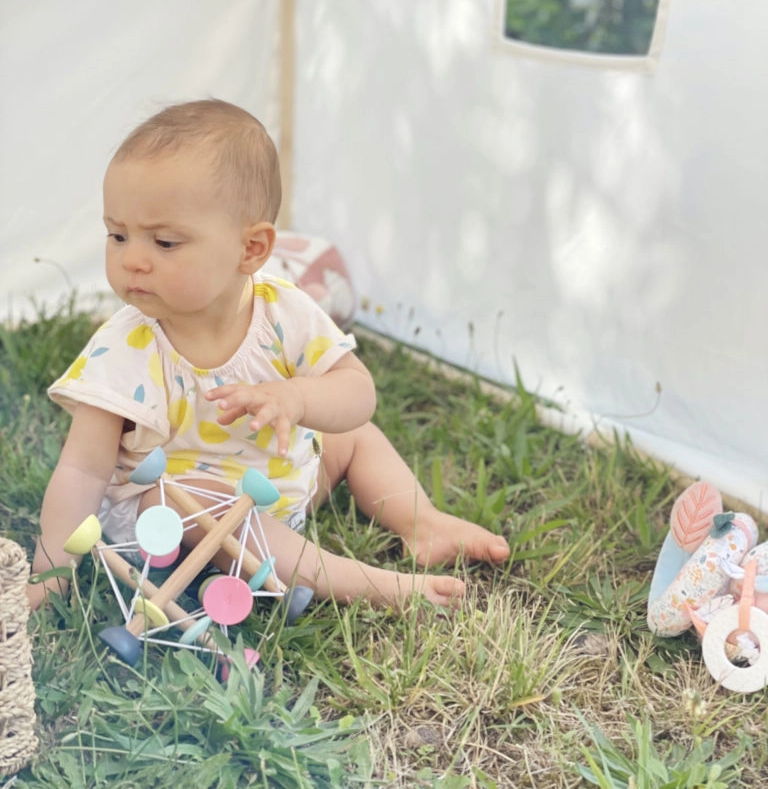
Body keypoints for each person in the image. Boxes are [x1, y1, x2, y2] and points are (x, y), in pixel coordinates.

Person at [28, 99, 510, 611]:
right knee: (180, 496)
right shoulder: (126, 347)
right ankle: (360, 583)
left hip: (280, 485)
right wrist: (45, 580)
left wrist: (297, 398)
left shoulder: (285, 313)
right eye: (117, 235)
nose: (132, 259)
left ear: (251, 250)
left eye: (164, 242)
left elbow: (358, 394)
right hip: (179, 521)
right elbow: (82, 471)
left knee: (350, 434)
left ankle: (422, 522)